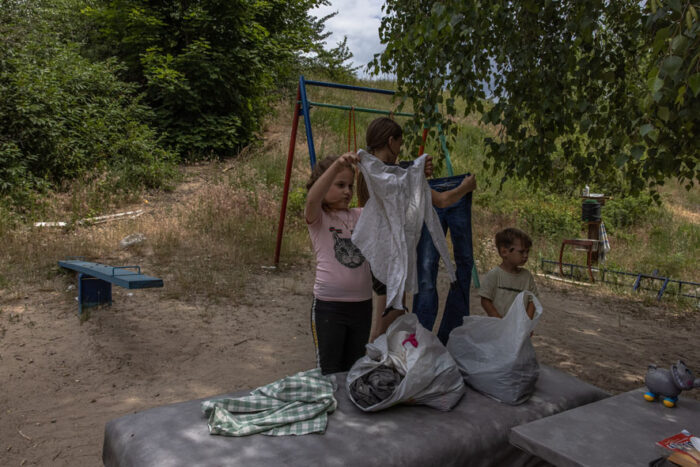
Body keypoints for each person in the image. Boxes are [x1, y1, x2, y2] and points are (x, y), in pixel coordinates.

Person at [358, 117, 476, 340]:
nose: (399, 149)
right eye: (399, 143)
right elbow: (440, 201)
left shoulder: (372, 172)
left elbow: (395, 175)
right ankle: (371, 362)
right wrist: (464, 187)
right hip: (391, 257)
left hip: (382, 254)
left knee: (393, 310)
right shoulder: (393, 177)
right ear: (391, 141)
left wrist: (413, 170)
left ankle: (380, 360)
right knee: (388, 316)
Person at [305, 152, 372, 374]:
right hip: (329, 307)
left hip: (362, 306)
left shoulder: (360, 215)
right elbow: (313, 198)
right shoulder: (318, 218)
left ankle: (347, 410)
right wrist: (336, 166)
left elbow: (387, 205)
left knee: (354, 370)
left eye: (350, 186)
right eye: (340, 184)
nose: (347, 191)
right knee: (329, 371)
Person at [479, 227, 539, 319]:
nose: (526, 255)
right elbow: (485, 300)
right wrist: (499, 321)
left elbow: (533, 300)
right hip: (498, 328)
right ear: (504, 252)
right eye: (521, 252)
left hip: (519, 328)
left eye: (527, 252)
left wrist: (527, 323)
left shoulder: (527, 277)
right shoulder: (494, 275)